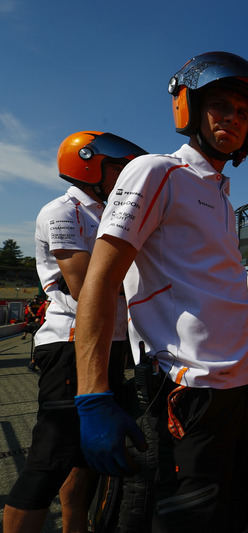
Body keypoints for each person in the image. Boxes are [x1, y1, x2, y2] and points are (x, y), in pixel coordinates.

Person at [73, 51, 248, 532]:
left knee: (228, 520)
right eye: (221, 105)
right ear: (190, 108)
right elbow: (100, 282)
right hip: (186, 394)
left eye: (243, 113)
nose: (232, 118)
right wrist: (93, 395)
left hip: (235, 394)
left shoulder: (223, 198)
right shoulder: (156, 171)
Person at [3, 131, 145, 533]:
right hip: (69, 343)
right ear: (90, 165)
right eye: (120, 168)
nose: (127, 177)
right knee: (50, 461)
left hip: (111, 342)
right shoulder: (62, 212)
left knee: (87, 457)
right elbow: (86, 288)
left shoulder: (110, 213)